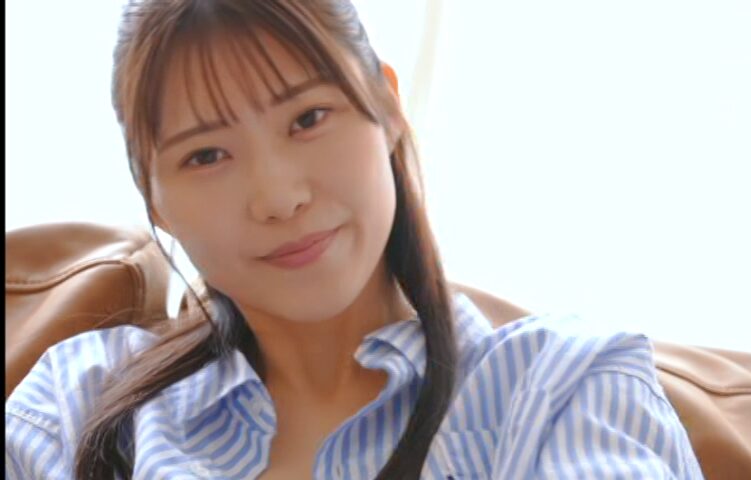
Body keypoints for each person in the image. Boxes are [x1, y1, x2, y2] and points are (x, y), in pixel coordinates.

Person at [5, 1, 704, 478]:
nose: (278, 197)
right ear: (153, 197)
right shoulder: (70, 407)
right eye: (206, 155)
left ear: (387, 105)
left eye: (308, 118)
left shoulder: (564, 390)